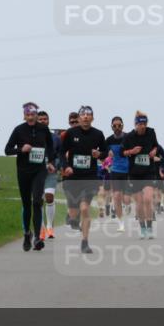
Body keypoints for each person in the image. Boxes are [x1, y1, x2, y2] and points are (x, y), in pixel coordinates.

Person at [4, 102, 56, 252]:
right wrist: (21, 149)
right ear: (24, 115)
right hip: (23, 171)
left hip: (39, 170)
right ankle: (27, 233)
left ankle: (38, 237)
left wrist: (51, 161)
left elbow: (51, 146)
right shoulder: (19, 130)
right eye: (28, 115)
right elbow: (7, 150)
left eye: (33, 114)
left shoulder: (43, 129)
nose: (31, 117)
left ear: (37, 115)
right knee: (26, 204)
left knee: (37, 201)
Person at [59, 105, 107, 254]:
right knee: (74, 213)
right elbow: (61, 152)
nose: (86, 117)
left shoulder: (98, 134)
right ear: (79, 118)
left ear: (92, 118)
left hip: (90, 177)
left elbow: (105, 153)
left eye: (88, 115)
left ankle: (85, 242)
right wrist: (66, 166)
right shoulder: (71, 133)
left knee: (85, 208)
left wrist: (99, 154)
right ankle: (72, 217)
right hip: (73, 177)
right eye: (83, 115)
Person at [122, 111, 160, 239]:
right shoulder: (129, 137)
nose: (142, 126)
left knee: (148, 200)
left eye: (144, 123)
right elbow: (122, 153)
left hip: (148, 172)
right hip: (135, 174)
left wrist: (154, 151)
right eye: (140, 124)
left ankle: (149, 228)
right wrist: (131, 151)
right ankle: (142, 228)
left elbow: (156, 146)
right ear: (135, 124)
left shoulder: (151, 132)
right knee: (139, 204)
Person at [104, 116, 132, 232]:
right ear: (111, 127)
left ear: (122, 125)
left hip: (128, 171)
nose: (117, 127)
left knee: (126, 199)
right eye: (114, 126)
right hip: (115, 171)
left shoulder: (128, 137)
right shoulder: (109, 140)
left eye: (119, 125)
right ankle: (121, 223)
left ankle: (128, 205)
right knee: (116, 197)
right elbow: (103, 153)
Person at [37, 110, 59, 240]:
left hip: (50, 171)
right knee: (38, 200)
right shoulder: (32, 136)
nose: (43, 121)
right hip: (37, 172)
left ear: (48, 121)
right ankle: (42, 229)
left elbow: (59, 153)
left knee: (49, 197)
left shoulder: (55, 138)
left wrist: (56, 165)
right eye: (40, 119)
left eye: (45, 119)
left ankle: (50, 226)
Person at [60, 111, 80, 229]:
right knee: (70, 195)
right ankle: (70, 213)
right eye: (71, 122)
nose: (74, 124)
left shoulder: (85, 134)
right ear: (69, 122)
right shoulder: (64, 135)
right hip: (67, 170)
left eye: (76, 121)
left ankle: (74, 217)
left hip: (80, 170)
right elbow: (60, 151)